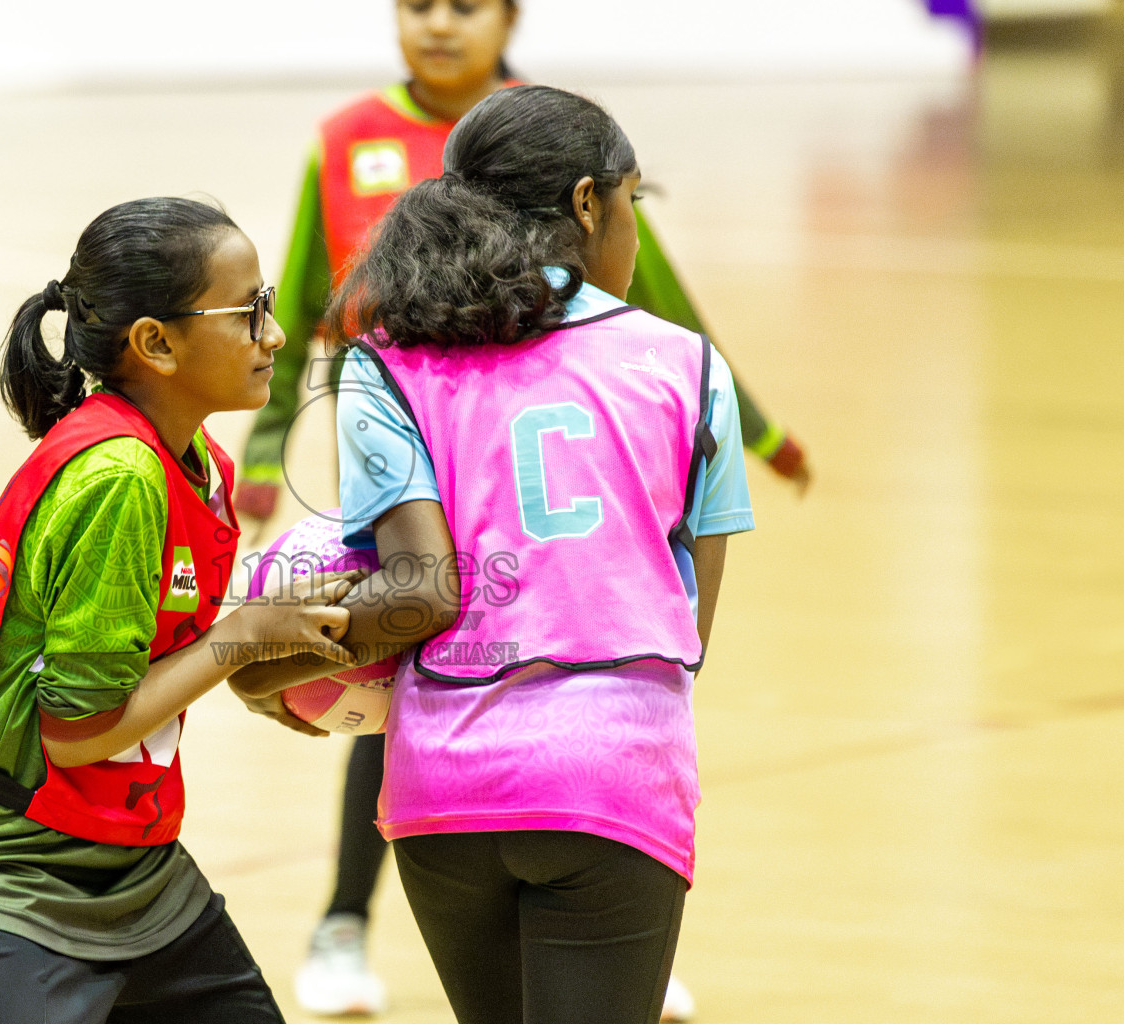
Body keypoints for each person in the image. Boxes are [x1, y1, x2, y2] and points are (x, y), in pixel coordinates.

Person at [249, 1, 793, 1017]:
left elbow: (415, 594)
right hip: (612, 785)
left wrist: (261, 660)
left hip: (440, 795)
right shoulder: (687, 367)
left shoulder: (383, 364)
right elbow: (688, 631)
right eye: (631, 201)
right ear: (589, 204)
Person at [0, 197, 361, 1024]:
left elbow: (161, 654)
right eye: (248, 311)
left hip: (129, 856)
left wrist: (261, 666)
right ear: (156, 344)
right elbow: (76, 732)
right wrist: (241, 641)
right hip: (8, 866)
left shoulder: (197, 464)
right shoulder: (120, 478)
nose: (275, 334)